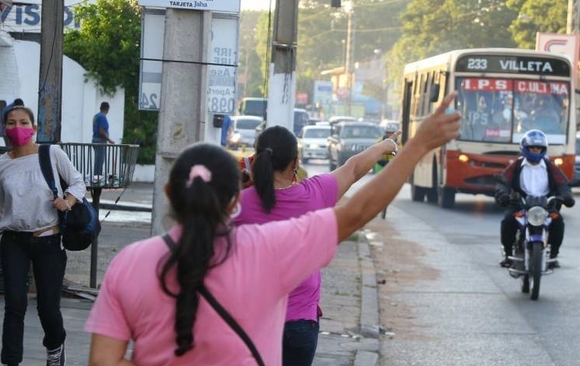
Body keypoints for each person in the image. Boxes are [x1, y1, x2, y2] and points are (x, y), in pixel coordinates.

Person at [84, 92, 461, 366]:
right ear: (234, 200)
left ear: (169, 193)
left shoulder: (129, 263)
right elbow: (359, 209)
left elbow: (102, 362)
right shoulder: (266, 249)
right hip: (300, 327)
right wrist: (416, 145)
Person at [233, 125, 398, 366]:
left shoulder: (237, 203)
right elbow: (353, 168)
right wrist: (384, 146)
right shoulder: (315, 194)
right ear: (295, 162)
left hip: (252, 323)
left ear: (255, 159)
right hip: (300, 325)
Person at [0, 106, 86, 366]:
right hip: (14, 241)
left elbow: (79, 183)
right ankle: (11, 361)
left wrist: (67, 201)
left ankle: (55, 346)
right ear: (4, 129)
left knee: (47, 308)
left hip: (49, 239)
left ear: (34, 128)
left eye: (23, 122)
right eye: (11, 122)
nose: (18, 127)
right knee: (14, 304)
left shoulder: (51, 153)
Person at [495, 129, 575, 269]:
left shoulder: (550, 166)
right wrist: (504, 195)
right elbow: (503, 182)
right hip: (521, 203)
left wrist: (566, 196)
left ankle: (553, 256)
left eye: (539, 148)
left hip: (545, 205)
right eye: (532, 147)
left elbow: (563, 183)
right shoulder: (517, 165)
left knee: (558, 222)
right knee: (508, 220)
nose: (536, 150)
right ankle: (508, 255)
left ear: (543, 149)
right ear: (525, 148)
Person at [92, 101, 114, 175]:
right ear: (107, 109)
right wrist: (109, 140)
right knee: (100, 161)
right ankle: (97, 178)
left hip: (94, 140)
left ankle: (96, 177)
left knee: (97, 160)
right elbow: (101, 131)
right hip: (100, 141)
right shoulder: (102, 117)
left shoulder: (96, 116)